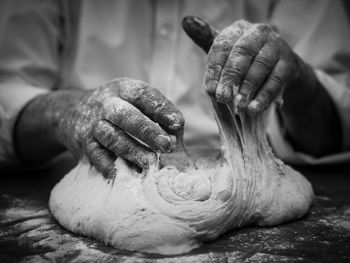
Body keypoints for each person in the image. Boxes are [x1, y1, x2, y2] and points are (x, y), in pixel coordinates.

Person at [0, 0, 350, 178]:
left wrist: (300, 82)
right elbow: (8, 85)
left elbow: (333, 126)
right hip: (89, 166)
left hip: (256, 171)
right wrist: (65, 112)